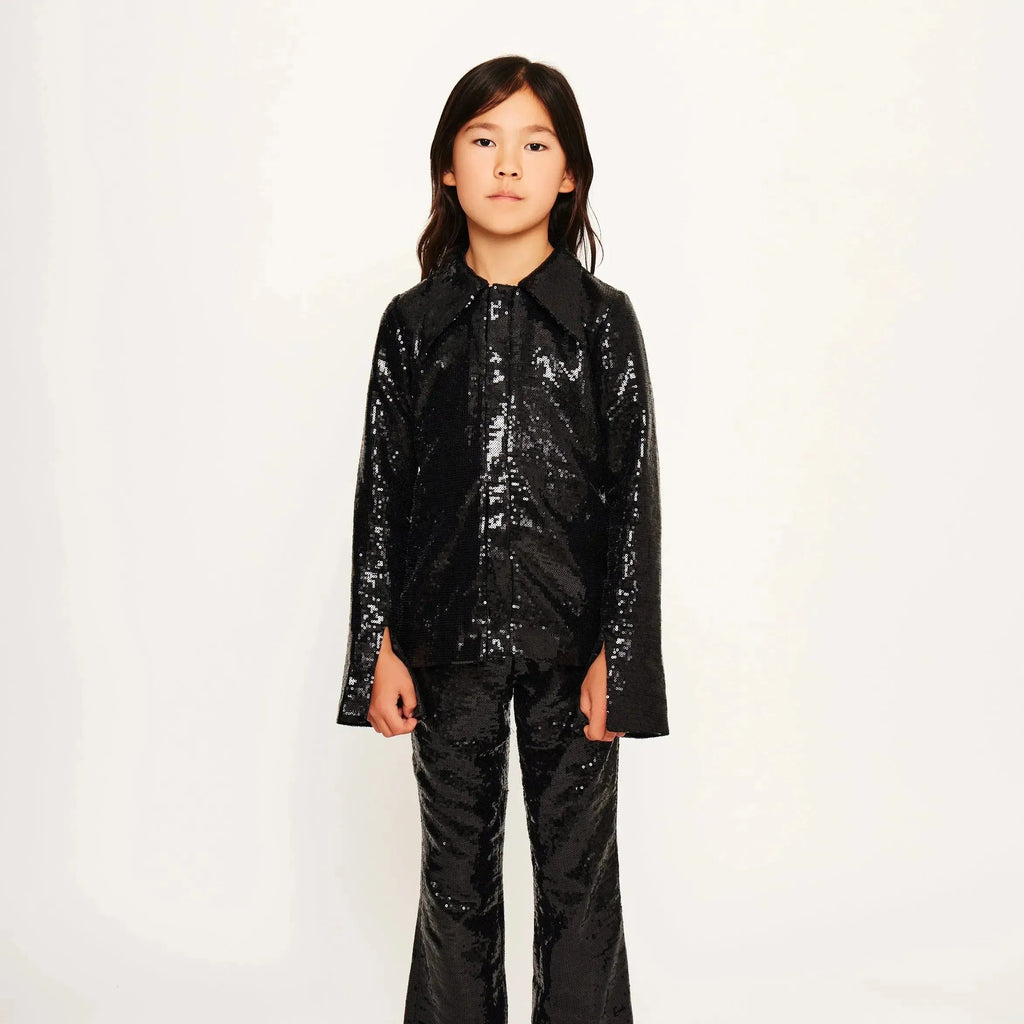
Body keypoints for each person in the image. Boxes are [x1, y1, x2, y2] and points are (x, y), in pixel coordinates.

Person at [336, 54, 669, 1024]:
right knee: (453, 886)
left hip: (574, 649)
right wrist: (377, 646)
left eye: (535, 143)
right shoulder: (414, 326)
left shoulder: (601, 324)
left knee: (578, 886)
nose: (508, 164)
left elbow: (634, 498)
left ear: (570, 175)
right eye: (484, 140)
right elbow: (382, 490)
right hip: (443, 647)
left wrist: (619, 655)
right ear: (449, 166)